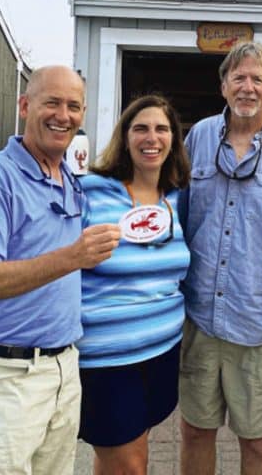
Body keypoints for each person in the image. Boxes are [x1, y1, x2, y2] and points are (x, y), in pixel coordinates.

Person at [0, 65, 121, 475]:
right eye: (52, 103)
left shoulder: (67, 175)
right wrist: (73, 256)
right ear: (25, 106)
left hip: (62, 369)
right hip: (4, 375)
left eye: (73, 106)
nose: (63, 115)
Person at [179, 41, 262, 475]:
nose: (248, 87)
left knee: (258, 445)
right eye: (238, 77)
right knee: (195, 433)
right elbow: (176, 221)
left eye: (258, 79)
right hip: (199, 318)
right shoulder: (197, 138)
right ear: (223, 86)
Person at [77, 94, 192, 474]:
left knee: (122, 453)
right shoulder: (91, 190)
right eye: (140, 128)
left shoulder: (175, 199)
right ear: (124, 137)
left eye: (162, 129)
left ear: (174, 139)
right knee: (130, 463)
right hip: (108, 358)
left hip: (161, 353)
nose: (151, 138)